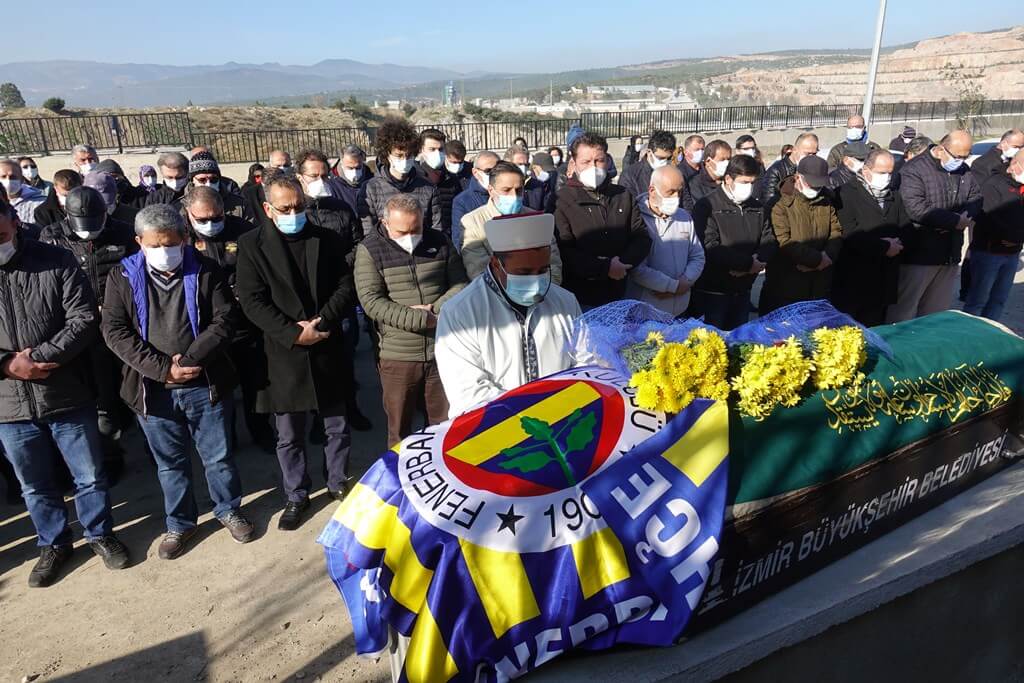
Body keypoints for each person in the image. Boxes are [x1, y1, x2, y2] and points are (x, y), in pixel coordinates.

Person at [101, 204, 253, 559]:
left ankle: (228, 508)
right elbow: (114, 330)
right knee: (170, 464)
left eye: (171, 243)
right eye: (155, 245)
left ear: (185, 238)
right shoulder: (121, 277)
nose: (164, 252)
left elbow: (225, 319)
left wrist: (190, 360)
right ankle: (180, 524)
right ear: (139, 242)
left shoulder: (205, 269)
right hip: (153, 390)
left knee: (218, 457)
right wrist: (161, 369)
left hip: (205, 383)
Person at [0, 192, 129, 587]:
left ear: (13, 222)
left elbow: (83, 318)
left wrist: (38, 358)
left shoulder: (55, 259)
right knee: (34, 483)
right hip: (8, 403)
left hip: (66, 391)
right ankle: (53, 543)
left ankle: (99, 533)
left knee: (88, 474)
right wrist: (8, 364)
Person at [235, 173, 355, 530]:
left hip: (326, 341)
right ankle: (296, 494)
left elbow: (345, 286)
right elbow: (251, 300)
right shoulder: (251, 244)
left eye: (299, 206)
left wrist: (321, 322)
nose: (294, 213)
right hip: (282, 353)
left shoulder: (326, 238)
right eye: (285, 208)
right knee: (289, 435)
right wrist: (292, 333)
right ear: (269, 208)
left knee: (337, 425)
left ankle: (337, 482)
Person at [436, 213, 584, 418]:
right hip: (495, 431)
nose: (535, 280)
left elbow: (585, 363)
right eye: (524, 272)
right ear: (497, 264)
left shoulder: (565, 302)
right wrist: (535, 414)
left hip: (564, 421)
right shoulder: (460, 313)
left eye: (543, 270)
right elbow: (469, 395)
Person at [354, 194, 467, 444]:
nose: (410, 236)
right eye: (402, 231)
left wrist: (437, 312)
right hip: (399, 356)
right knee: (399, 430)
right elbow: (372, 301)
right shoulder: (370, 249)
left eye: (416, 229)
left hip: (442, 348)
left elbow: (459, 283)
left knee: (443, 425)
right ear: (385, 223)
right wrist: (420, 319)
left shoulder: (440, 242)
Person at [39, 186, 137, 467]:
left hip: (119, 323)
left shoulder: (123, 232)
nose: (89, 231)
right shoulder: (53, 238)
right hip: (77, 328)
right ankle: (109, 457)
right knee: (97, 401)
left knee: (128, 388)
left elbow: (135, 274)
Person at [180, 186, 274, 452]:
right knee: (220, 388)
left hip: (246, 322)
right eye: (203, 219)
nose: (211, 224)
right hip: (206, 327)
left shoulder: (244, 230)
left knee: (256, 381)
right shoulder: (182, 237)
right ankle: (226, 436)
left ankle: (260, 429)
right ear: (189, 214)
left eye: (216, 217)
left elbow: (260, 268)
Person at [294, 151, 371, 431]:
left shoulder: (340, 208)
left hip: (341, 295)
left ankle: (351, 408)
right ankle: (319, 419)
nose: (321, 181)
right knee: (316, 362)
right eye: (314, 176)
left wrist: (338, 264)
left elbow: (357, 243)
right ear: (300, 178)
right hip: (309, 299)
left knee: (345, 357)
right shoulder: (296, 212)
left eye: (325, 175)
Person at [887, 131, 982, 322]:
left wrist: (967, 215)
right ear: (940, 149)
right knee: (904, 312)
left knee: (935, 315)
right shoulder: (914, 170)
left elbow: (976, 197)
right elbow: (915, 208)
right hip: (919, 254)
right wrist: (955, 221)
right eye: (958, 156)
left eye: (966, 156)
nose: (962, 161)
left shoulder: (963, 170)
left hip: (949, 254)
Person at [555, 131, 651, 309]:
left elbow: (641, 237)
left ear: (607, 160)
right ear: (574, 163)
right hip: (580, 298)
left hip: (620, 292)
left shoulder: (623, 195)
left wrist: (621, 264)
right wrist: (604, 267)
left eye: (599, 160)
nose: (593, 166)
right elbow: (563, 249)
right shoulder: (561, 200)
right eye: (586, 162)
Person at [690, 154, 776, 330]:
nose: (749, 187)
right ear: (729, 179)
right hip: (713, 292)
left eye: (753, 182)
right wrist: (745, 264)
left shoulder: (757, 208)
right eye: (744, 182)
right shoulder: (707, 206)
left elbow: (769, 239)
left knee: (738, 345)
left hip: (743, 291)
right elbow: (709, 246)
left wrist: (757, 262)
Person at [831, 149, 909, 327]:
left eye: (890, 173)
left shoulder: (893, 195)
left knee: (875, 327)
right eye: (882, 173)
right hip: (854, 278)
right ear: (866, 171)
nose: (887, 178)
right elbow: (848, 231)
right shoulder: (845, 194)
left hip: (883, 279)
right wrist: (883, 247)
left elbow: (905, 225)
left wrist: (897, 244)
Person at [760, 156, 842, 313]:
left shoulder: (826, 201)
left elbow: (836, 232)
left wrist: (826, 257)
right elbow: (783, 240)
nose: (815, 189)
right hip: (786, 286)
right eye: (811, 184)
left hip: (819, 284)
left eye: (819, 186)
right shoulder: (778, 205)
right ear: (798, 177)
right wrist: (816, 260)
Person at [461, 161, 564, 282]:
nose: (514, 196)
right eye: (506, 190)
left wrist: (541, 291)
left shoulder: (537, 219)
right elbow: (479, 272)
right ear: (491, 190)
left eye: (519, 190)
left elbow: (554, 266)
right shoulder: (473, 222)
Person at [625, 165, 705, 318]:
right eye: (671, 192)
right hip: (646, 313)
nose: (676, 197)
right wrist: (673, 286)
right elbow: (636, 267)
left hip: (680, 309)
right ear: (652, 191)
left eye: (679, 192)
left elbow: (697, 255)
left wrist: (686, 281)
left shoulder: (684, 217)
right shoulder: (636, 219)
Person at [962, 150, 1024, 321]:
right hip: (989, 252)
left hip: (1012, 253)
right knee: (977, 302)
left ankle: (988, 335)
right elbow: (988, 216)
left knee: (998, 300)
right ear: (1016, 166)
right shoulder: (993, 184)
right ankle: (967, 336)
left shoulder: (1020, 187)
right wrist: (1015, 236)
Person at [365, 118, 442, 234]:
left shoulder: (428, 188)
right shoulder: (370, 189)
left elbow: (436, 229)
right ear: (387, 155)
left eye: (409, 155)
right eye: (399, 155)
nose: (405, 160)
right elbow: (368, 233)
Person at [415, 128, 462, 236]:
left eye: (440, 149)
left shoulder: (451, 178)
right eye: (432, 149)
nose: (437, 153)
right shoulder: (414, 179)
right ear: (422, 149)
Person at [451, 151, 498, 247]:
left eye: (498, 170)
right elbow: (459, 241)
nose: (495, 174)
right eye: (489, 171)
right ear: (476, 173)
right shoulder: (462, 201)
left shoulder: (510, 194)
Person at [761, 133, 819, 208]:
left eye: (814, 154)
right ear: (795, 150)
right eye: (807, 153)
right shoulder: (776, 170)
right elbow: (769, 202)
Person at [619, 130, 677, 199]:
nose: (665, 162)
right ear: (649, 152)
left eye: (669, 158)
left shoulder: (675, 174)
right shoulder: (630, 176)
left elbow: (684, 201)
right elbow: (626, 205)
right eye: (661, 158)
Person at [186, 151, 245, 218]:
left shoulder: (240, 205)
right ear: (192, 180)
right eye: (202, 180)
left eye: (213, 179)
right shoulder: (180, 207)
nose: (208, 184)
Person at [331, 145, 373, 228]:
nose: (354, 172)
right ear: (341, 162)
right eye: (350, 168)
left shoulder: (372, 180)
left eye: (358, 168)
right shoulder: (331, 184)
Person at [0, 159, 46, 235]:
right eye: (3, 177)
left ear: (21, 179)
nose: (8, 180)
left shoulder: (41, 203)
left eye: (13, 177)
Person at [687, 139, 733, 208]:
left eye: (728, 159)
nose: (726, 163)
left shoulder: (731, 180)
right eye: (722, 160)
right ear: (708, 161)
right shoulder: (695, 183)